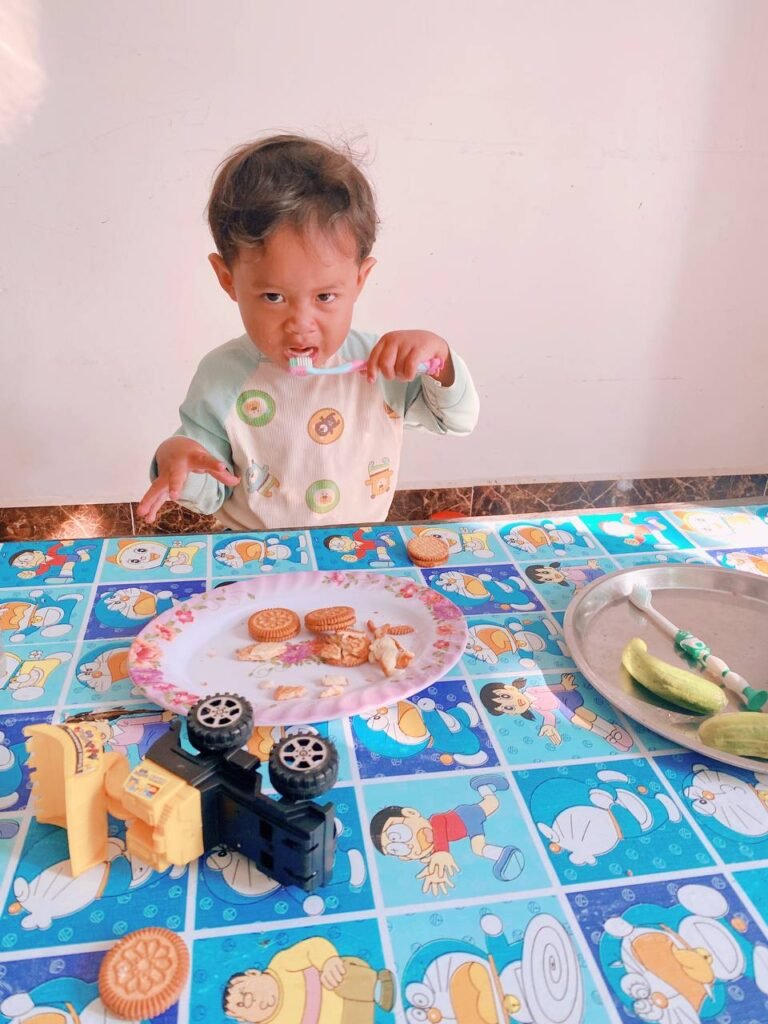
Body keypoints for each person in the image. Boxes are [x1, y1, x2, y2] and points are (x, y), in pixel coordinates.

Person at [138, 134, 479, 530]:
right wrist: (176, 460)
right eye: (272, 296)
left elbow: (455, 421)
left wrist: (440, 361)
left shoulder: (381, 363)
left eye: (325, 296)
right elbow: (211, 491)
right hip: (257, 557)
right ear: (227, 279)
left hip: (358, 549)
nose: (301, 323)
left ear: (359, 279)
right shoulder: (222, 376)